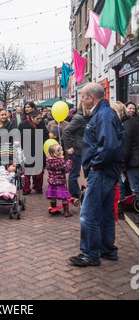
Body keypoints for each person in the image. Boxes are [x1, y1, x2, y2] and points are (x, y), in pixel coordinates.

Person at [69, 83, 125, 267]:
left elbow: (108, 145)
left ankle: (91, 253)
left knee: (89, 214)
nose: (82, 100)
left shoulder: (103, 115)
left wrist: (95, 165)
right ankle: (107, 249)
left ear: (91, 97)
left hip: (101, 172)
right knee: (105, 213)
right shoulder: (105, 114)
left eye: (83, 97)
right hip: (107, 171)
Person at [63, 102, 90, 200]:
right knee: (74, 174)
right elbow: (66, 131)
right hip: (76, 150)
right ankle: (74, 194)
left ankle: (76, 193)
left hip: (81, 149)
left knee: (76, 173)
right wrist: (69, 147)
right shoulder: (79, 118)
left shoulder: (84, 117)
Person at [19, 109, 49, 195]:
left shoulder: (42, 124)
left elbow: (46, 135)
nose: (40, 120)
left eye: (40, 119)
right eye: (37, 119)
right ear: (32, 118)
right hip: (27, 150)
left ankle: (38, 187)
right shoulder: (23, 125)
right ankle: (26, 189)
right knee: (26, 172)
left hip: (39, 150)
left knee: (39, 171)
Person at [45, 144, 73, 217]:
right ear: (57, 153)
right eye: (61, 150)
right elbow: (66, 169)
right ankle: (66, 212)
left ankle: (54, 209)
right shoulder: (60, 161)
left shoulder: (48, 160)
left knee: (53, 197)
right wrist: (69, 161)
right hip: (60, 182)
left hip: (52, 182)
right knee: (64, 197)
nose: (63, 151)